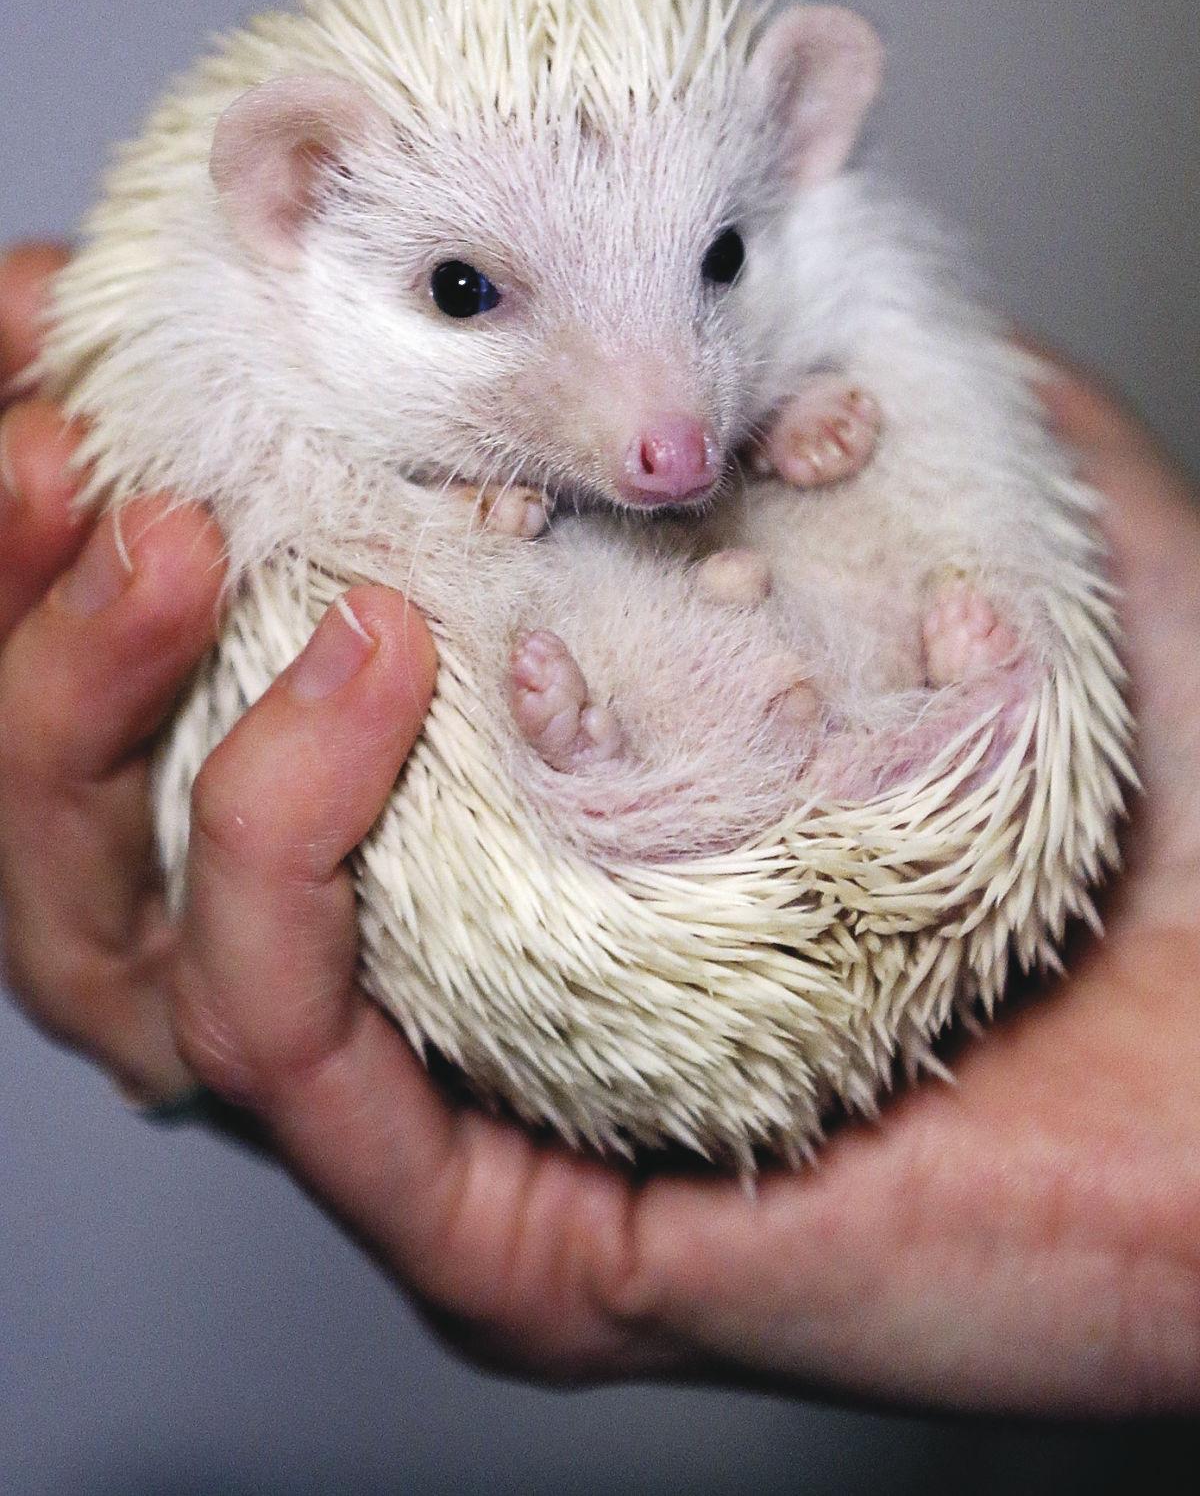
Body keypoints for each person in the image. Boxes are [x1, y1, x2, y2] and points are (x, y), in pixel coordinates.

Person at [2, 241, 1198, 1416]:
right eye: (469, 291)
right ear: (289, 195)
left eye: (714, 260)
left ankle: (659, 761)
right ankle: (626, 771)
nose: (671, 434)